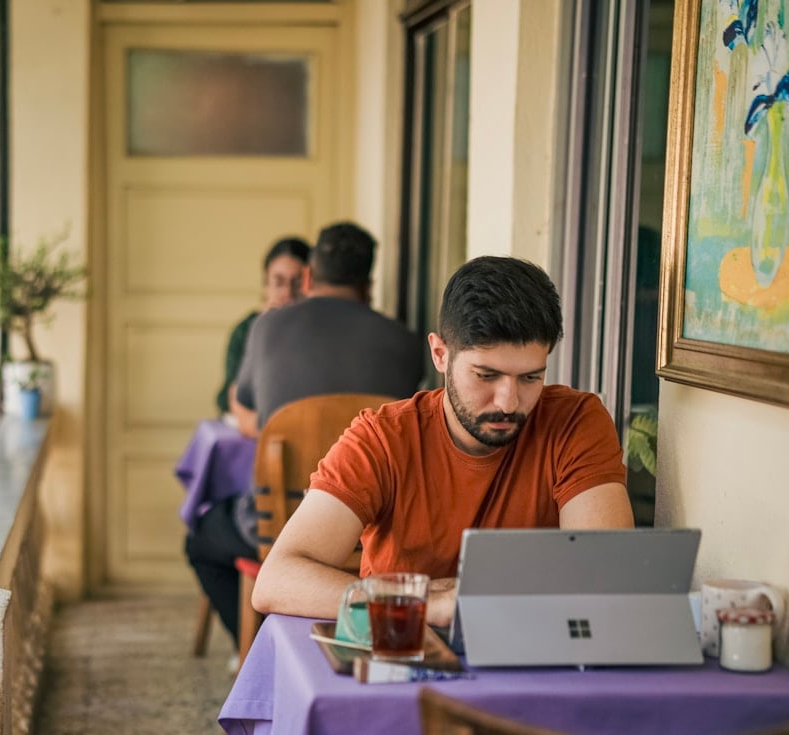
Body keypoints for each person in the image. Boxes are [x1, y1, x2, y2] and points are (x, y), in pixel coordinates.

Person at [250, 256, 635, 629]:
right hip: (403, 647)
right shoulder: (382, 438)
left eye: (530, 378)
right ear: (440, 354)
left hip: (532, 651)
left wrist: (460, 591)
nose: (509, 402)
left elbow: (606, 577)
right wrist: (426, 603)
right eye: (486, 376)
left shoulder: (575, 421)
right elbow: (276, 580)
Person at [186, 221, 425, 649]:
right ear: (368, 285)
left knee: (201, 540)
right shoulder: (406, 343)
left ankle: (262, 647)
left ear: (309, 276)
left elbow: (249, 406)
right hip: (371, 530)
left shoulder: (268, 328)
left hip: (277, 527)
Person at [218, 236, 311, 431]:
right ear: (265, 286)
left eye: (297, 284)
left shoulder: (320, 332)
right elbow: (229, 398)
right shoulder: (246, 330)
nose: (287, 293)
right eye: (278, 283)